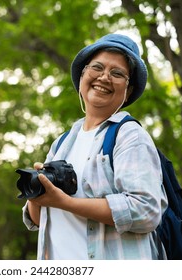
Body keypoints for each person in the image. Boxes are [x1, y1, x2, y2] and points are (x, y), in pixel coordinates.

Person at [22, 33, 168, 260]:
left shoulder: (129, 135)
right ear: (82, 78)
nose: (104, 77)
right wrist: (37, 193)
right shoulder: (62, 143)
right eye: (97, 68)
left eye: (117, 73)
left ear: (128, 91)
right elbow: (43, 220)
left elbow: (146, 210)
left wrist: (68, 202)